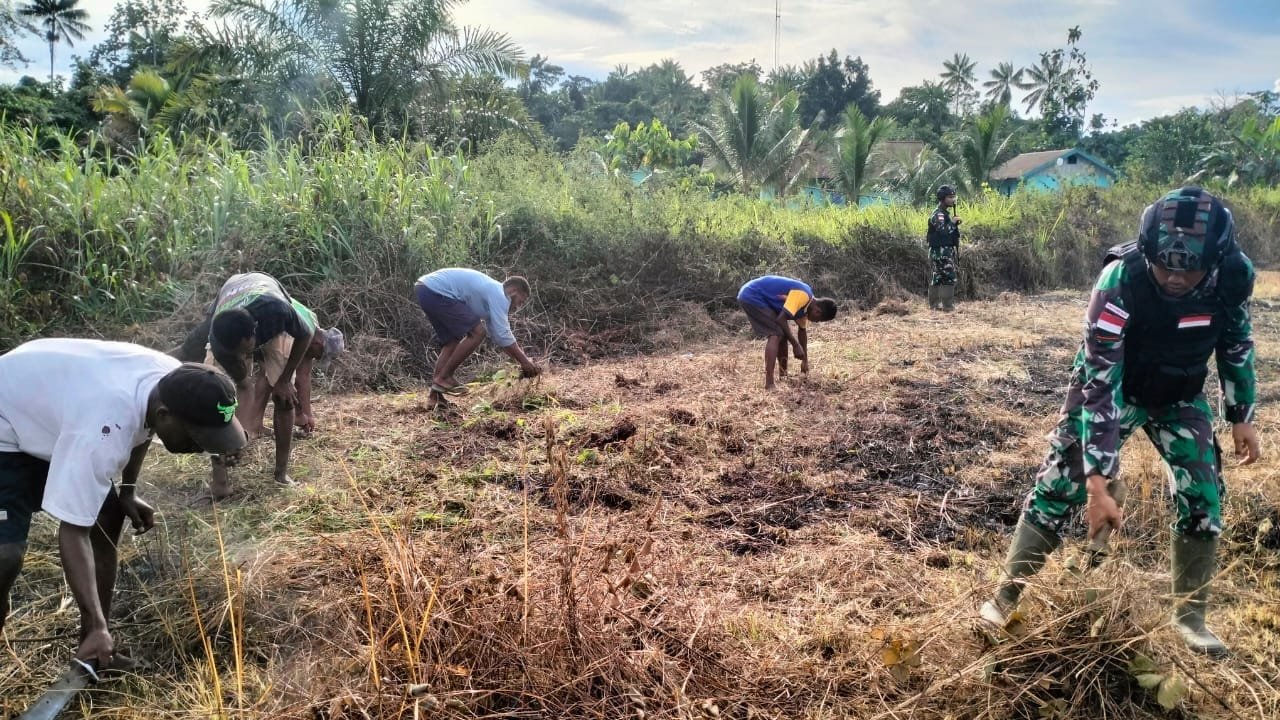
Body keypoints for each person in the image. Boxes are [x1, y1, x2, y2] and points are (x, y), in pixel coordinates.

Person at [977, 188, 1260, 657]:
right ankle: (1004, 598)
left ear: (1214, 260)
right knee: (1059, 484)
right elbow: (1100, 385)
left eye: (1186, 269)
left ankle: (1191, 617)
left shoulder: (1233, 276)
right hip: (1117, 385)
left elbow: (1235, 340)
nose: (1172, 278)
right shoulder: (1120, 280)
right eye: (1163, 266)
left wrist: (1241, 414)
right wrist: (1097, 481)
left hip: (1180, 395)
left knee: (1204, 496)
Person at [0, 339, 246, 669]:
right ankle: (93, 630)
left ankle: (92, 647)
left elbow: (143, 428)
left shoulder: (177, 381)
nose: (200, 449)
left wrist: (127, 490)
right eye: (195, 438)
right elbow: (73, 533)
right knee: (6, 555)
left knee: (110, 514)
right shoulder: (103, 428)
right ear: (166, 416)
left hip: (52, 403)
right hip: (7, 415)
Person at [175, 272, 337, 498]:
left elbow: (305, 335)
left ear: (255, 334)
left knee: (284, 398)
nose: (244, 357)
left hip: (264, 293)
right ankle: (220, 481)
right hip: (230, 297)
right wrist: (236, 438)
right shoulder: (220, 342)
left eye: (246, 351)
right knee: (213, 396)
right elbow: (244, 387)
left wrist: (283, 381)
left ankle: (281, 474)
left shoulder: (277, 311)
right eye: (238, 355)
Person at [414, 268, 541, 409]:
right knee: (478, 332)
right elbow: (503, 334)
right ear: (513, 291)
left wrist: (521, 362)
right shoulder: (499, 294)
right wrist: (525, 361)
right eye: (520, 301)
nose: (518, 307)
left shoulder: (491, 296)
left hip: (425, 289)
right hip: (436, 291)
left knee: (452, 342)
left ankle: (434, 398)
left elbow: (499, 337)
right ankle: (445, 377)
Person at [736, 275, 838, 390]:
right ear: (817, 311)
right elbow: (781, 319)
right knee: (776, 334)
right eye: (818, 320)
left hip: (757, 297)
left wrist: (805, 361)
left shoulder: (806, 308)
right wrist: (795, 345)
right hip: (752, 294)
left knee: (783, 333)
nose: (815, 321)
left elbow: (802, 332)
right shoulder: (803, 296)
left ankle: (783, 375)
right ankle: (769, 383)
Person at [927, 185, 962, 311]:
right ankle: (948, 307)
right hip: (940, 251)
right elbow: (943, 231)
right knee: (949, 277)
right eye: (950, 197)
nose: (953, 200)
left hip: (944, 251)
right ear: (942, 198)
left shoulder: (944, 214)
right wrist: (952, 223)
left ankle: (934, 306)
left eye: (954, 197)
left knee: (937, 278)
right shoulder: (938, 215)